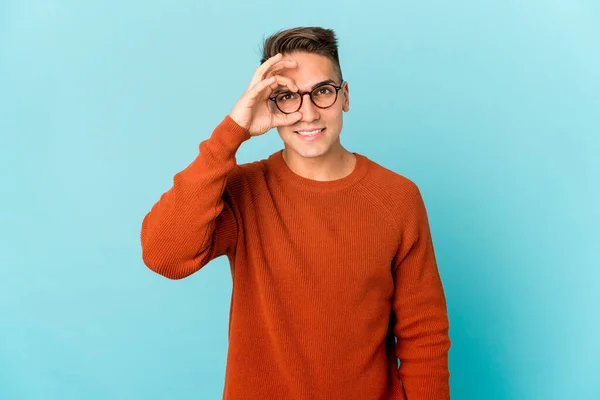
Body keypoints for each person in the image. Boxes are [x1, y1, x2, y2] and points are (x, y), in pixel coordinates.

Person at [140, 26, 451, 400]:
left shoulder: (398, 197)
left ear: (344, 96)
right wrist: (233, 131)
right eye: (286, 97)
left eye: (321, 92)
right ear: (269, 106)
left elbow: (424, 335)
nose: (307, 113)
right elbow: (164, 255)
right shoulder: (243, 191)